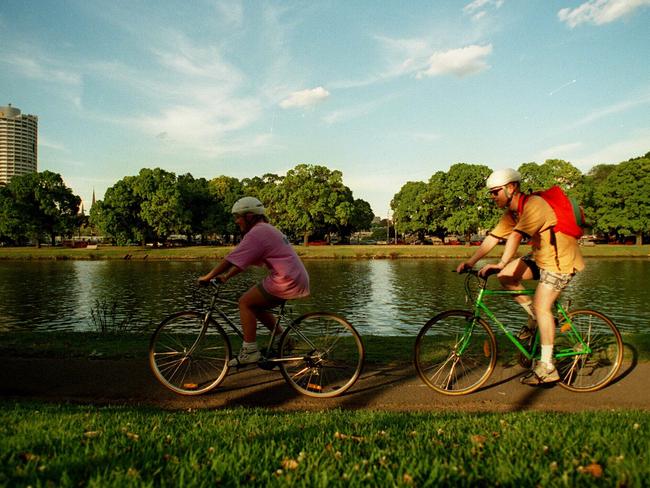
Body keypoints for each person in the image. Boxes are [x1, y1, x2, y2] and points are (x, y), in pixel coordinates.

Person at [456, 168, 585, 385]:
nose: (492, 197)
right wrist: (471, 261)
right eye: (491, 193)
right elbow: (493, 238)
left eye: (495, 192)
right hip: (541, 257)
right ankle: (537, 318)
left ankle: (547, 367)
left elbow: (516, 236)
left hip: (560, 260)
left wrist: (501, 262)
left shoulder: (534, 205)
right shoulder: (512, 213)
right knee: (506, 277)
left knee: (542, 305)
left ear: (511, 187)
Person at [198, 196, 310, 367]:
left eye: (238, 217)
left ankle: (249, 351)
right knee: (256, 305)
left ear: (249, 216)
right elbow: (244, 260)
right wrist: (226, 277)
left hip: (286, 279)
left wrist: (207, 276)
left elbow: (231, 258)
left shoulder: (257, 232)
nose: (236, 221)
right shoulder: (265, 229)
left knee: (245, 303)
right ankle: (284, 340)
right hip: (293, 276)